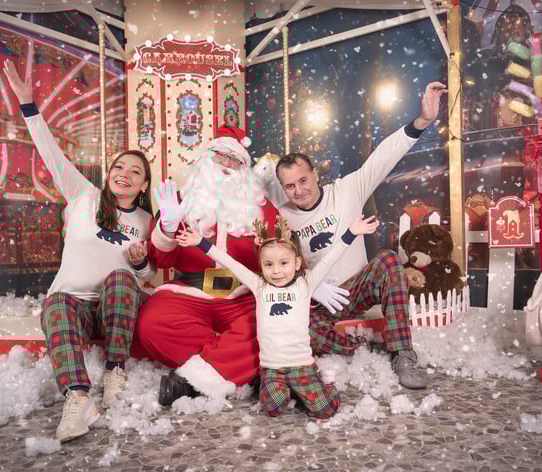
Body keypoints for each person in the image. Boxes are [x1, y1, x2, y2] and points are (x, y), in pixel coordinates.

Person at [4, 60, 156, 441]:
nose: (124, 172)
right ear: (109, 173)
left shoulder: (145, 220)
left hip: (114, 310)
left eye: (135, 171)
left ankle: (115, 371)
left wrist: (141, 263)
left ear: (142, 186)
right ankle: (77, 398)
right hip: (74, 305)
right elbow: (50, 152)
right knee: (55, 301)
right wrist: (28, 107)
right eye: (119, 166)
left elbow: (147, 276)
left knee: (122, 277)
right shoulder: (83, 196)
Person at [270, 81, 448, 389]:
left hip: (357, 289)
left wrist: (422, 122)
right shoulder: (282, 216)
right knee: (293, 327)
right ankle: (365, 351)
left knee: (390, 260)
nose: (298, 190)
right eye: (290, 186)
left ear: (315, 173)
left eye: (303, 180)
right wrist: (310, 289)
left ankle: (404, 353)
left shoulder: (347, 189)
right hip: (319, 302)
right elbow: (276, 268)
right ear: (282, 188)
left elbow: (383, 156)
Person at [131, 124, 280, 406]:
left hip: (243, 296)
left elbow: (281, 252)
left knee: (274, 322)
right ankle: (241, 363)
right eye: (220, 157)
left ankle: (190, 382)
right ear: (204, 160)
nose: (227, 165)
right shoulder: (180, 201)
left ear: (245, 170)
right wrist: (168, 227)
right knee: (151, 324)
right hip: (189, 292)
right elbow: (160, 259)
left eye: (235, 160)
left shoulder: (262, 208)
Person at [175, 213, 379, 417]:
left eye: (284, 263)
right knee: (274, 407)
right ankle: (281, 390)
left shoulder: (305, 285)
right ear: (261, 265)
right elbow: (230, 263)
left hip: (302, 367)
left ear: (297, 263)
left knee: (325, 410)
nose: (276, 271)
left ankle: (324, 384)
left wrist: (352, 232)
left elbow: (330, 258)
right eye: (269, 265)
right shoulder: (259, 286)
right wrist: (200, 242)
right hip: (272, 370)